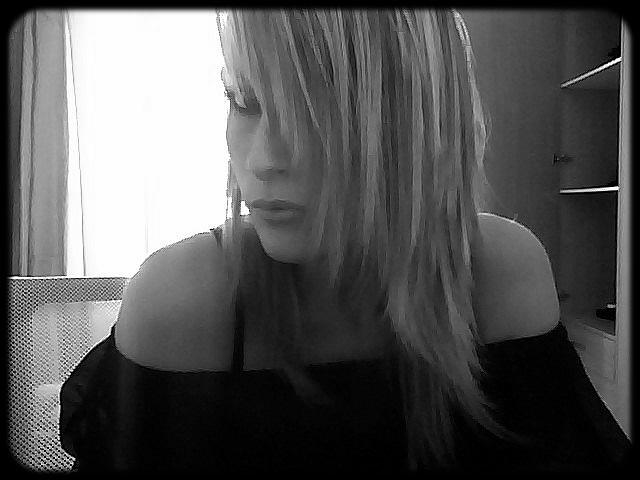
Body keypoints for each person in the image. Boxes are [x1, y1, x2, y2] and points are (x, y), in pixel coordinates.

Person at [60, 10, 630, 473]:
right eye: (243, 101)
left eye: (314, 111)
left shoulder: (498, 271)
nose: (263, 160)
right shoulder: (185, 299)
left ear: (418, 121)